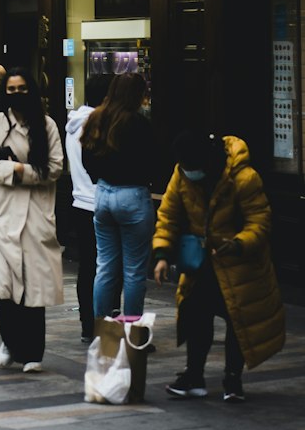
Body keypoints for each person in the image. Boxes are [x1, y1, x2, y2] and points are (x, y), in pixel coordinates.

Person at [153, 131, 285, 402]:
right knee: (197, 317)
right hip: (201, 263)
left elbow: (260, 221)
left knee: (238, 321)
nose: (187, 172)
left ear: (208, 162)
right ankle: (194, 376)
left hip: (240, 266)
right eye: (184, 167)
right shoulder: (182, 174)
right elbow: (168, 215)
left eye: (192, 167)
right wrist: (162, 253)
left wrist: (238, 244)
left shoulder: (243, 177)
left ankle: (232, 380)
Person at [0, 69, 64, 373]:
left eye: (22, 88)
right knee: (3, 282)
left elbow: (54, 168)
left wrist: (20, 171)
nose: (16, 94)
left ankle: (33, 352)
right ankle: (10, 340)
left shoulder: (47, 126)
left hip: (35, 213)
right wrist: (10, 169)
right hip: (0, 212)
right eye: (11, 89)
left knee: (33, 285)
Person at [82, 70, 157, 324]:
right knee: (134, 271)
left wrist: (99, 178)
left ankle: (102, 331)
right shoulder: (139, 124)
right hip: (133, 195)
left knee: (105, 267)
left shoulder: (96, 119)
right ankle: (131, 330)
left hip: (103, 194)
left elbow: (87, 159)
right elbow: (153, 162)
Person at [65, 70, 113, 343]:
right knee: (107, 268)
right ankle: (103, 324)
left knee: (88, 268)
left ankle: (87, 324)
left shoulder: (73, 124)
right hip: (100, 200)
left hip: (78, 200)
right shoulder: (98, 125)